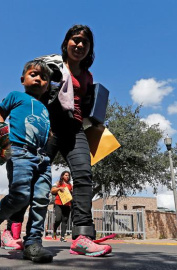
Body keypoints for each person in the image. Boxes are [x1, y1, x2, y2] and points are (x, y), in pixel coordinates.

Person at [42, 25, 111, 257]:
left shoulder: (88, 75)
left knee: (83, 176)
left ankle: (82, 236)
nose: (79, 45)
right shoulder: (51, 65)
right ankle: (13, 231)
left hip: (75, 128)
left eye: (85, 42)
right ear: (67, 42)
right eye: (75, 40)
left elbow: (87, 104)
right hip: (50, 125)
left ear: (90, 48)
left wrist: (97, 120)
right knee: (35, 176)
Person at [0, 60, 53, 262]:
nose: (39, 78)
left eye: (44, 77)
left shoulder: (45, 108)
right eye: (34, 74)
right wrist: (2, 136)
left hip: (43, 159)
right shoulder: (16, 96)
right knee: (20, 197)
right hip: (20, 153)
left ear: (47, 85)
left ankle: (33, 244)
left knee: (41, 200)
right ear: (23, 79)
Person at [51, 170, 73, 242]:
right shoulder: (58, 183)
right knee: (58, 219)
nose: (67, 176)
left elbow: (72, 193)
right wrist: (59, 188)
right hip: (58, 204)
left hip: (67, 204)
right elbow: (52, 190)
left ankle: (62, 236)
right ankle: (54, 230)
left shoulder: (70, 185)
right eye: (66, 175)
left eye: (68, 175)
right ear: (62, 176)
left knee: (65, 220)